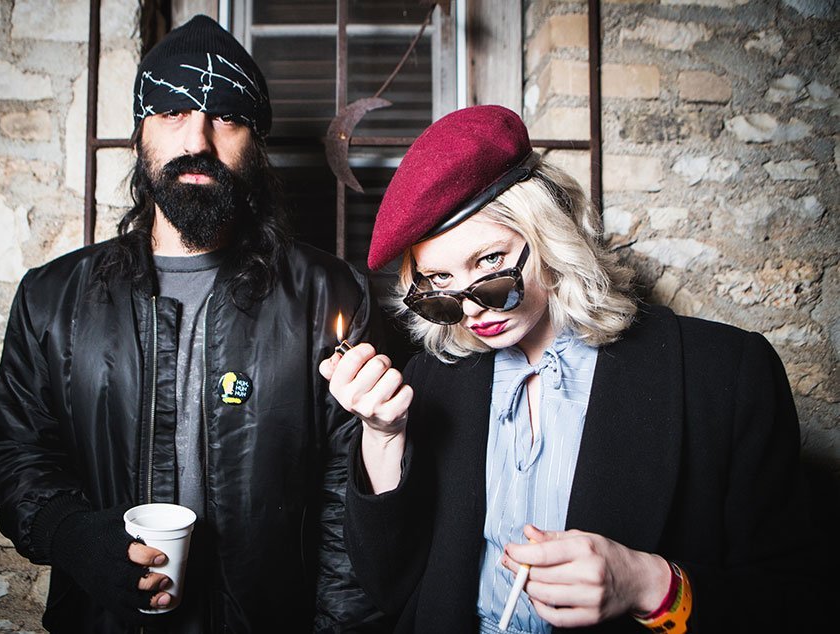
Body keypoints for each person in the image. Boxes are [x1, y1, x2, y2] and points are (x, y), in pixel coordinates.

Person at [320, 105, 831, 633]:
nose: (470, 309)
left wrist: (648, 584)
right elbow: (388, 584)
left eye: (490, 262)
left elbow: (802, 600)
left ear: (551, 234)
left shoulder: (724, 375)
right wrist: (382, 436)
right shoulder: (432, 380)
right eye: (440, 282)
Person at [0, 15, 386, 633]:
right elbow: (19, 455)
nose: (197, 139)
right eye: (172, 111)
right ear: (140, 135)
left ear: (255, 144)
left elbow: (347, 503)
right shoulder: (52, 299)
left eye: (226, 117)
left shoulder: (329, 295)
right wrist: (76, 536)